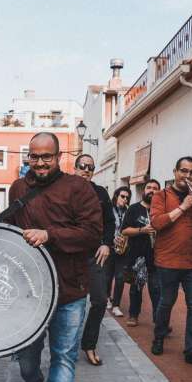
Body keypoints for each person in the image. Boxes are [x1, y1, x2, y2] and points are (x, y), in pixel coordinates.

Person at [10, 132, 101, 382]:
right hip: (30, 292)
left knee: (64, 357)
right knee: (26, 356)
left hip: (70, 290)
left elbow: (92, 233)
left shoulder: (80, 188)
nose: (40, 162)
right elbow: (12, 235)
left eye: (46, 156)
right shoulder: (18, 189)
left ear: (59, 157)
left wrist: (49, 235)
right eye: (34, 156)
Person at [150, 156, 192, 368]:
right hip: (167, 260)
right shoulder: (160, 196)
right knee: (166, 302)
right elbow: (157, 223)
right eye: (184, 171)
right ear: (175, 172)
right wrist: (184, 206)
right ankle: (159, 337)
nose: (188, 176)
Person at [74, 155, 115, 367]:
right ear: (75, 168)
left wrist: (106, 243)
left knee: (99, 300)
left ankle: (89, 344)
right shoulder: (64, 190)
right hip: (69, 256)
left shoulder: (100, 193)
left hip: (94, 255)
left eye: (90, 167)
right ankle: (65, 345)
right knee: (71, 303)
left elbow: (110, 221)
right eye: (82, 166)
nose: (86, 170)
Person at [120, 179, 162, 328]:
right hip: (137, 256)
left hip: (157, 257)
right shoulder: (133, 209)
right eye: (149, 187)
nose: (152, 190)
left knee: (156, 290)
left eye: (155, 188)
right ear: (144, 190)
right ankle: (133, 315)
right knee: (136, 289)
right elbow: (124, 230)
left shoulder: (161, 210)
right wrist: (142, 230)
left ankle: (159, 320)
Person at [108, 186, 131, 318]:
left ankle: (116, 305)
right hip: (110, 246)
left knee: (120, 277)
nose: (125, 199)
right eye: (122, 196)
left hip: (123, 248)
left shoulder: (128, 211)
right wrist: (112, 238)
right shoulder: (109, 210)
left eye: (127, 197)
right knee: (108, 275)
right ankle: (107, 297)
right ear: (116, 196)